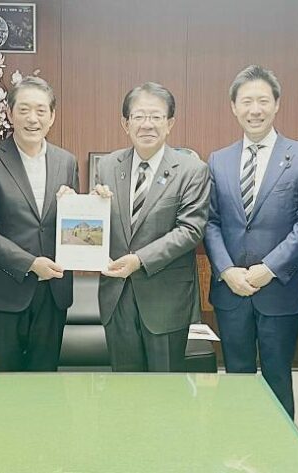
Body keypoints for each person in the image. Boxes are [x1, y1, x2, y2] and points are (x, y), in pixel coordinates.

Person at [204, 65, 298, 418]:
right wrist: (227, 270)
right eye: (246, 101)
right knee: (237, 377)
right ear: (233, 107)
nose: (254, 109)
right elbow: (210, 222)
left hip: (279, 290)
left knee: (277, 377)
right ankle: (238, 444)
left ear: (276, 104)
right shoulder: (218, 160)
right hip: (231, 291)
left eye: (262, 101)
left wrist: (268, 269)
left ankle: (279, 448)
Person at [94, 82, 210, 372]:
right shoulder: (107, 166)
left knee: (164, 389)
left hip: (166, 300)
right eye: (139, 116)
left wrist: (139, 260)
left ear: (170, 123)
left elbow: (190, 230)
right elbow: (95, 225)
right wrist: (79, 204)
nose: (147, 124)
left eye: (156, 116)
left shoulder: (192, 170)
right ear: (126, 123)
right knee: (124, 386)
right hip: (117, 296)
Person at [0, 76, 78, 372]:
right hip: (5, 291)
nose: (33, 118)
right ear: (9, 113)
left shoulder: (67, 162)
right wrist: (30, 263)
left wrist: (87, 204)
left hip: (53, 293)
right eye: (24, 109)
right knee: (6, 382)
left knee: (45, 380)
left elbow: (73, 227)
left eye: (41, 110)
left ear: (52, 116)